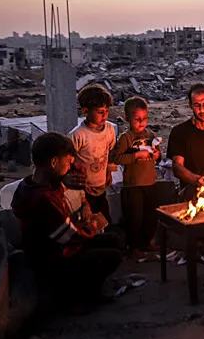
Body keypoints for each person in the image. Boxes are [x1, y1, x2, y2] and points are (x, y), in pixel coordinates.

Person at [11, 132, 122, 311]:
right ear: (54, 162)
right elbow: (71, 237)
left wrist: (64, 182)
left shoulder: (28, 184)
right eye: (68, 162)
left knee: (113, 240)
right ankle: (75, 298)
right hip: (51, 258)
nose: (70, 167)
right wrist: (92, 226)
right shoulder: (43, 199)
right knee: (113, 255)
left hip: (54, 246)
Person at [112, 96, 162, 257]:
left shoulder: (150, 134)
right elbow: (117, 158)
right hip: (133, 185)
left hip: (150, 182)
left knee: (150, 215)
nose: (142, 122)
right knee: (134, 218)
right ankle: (133, 247)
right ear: (127, 119)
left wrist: (157, 155)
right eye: (137, 119)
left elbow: (158, 154)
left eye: (145, 118)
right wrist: (136, 156)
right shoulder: (125, 138)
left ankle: (146, 243)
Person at [69, 84, 117, 223]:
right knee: (87, 222)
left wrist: (109, 171)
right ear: (86, 111)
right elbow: (69, 163)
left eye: (106, 111)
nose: (104, 115)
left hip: (101, 186)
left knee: (105, 220)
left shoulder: (109, 130)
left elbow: (111, 151)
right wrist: (80, 190)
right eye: (100, 111)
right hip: (83, 190)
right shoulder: (78, 135)